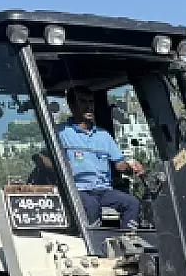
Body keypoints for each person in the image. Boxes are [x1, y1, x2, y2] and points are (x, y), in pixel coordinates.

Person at [56, 88, 144, 229]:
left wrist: (131, 166)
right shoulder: (61, 132)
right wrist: (61, 165)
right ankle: (96, 245)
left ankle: (129, 239)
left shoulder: (103, 135)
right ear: (71, 105)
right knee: (91, 206)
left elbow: (120, 165)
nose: (88, 106)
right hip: (78, 189)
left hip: (103, 191)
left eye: (91, 102)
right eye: (83, 102)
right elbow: (41, 158)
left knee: (132, 203)